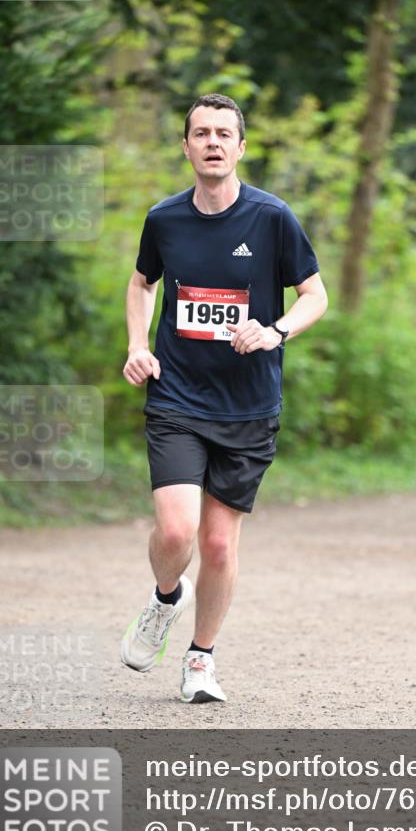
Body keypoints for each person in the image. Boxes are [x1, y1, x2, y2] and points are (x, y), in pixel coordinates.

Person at [120, 93, 327, 703]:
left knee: (216, 543)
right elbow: (142, 283)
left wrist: (275, 330)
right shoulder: (164, 219)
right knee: (176, 533)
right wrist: (137, 345)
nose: (212, 142)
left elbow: (315, 295)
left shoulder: (272, 217)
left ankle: (200, 660)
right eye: (201, 133)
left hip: (248, 405)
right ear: (186, 147)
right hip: (177, 397)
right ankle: (165, 599)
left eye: (223, 134)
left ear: (241, 147)